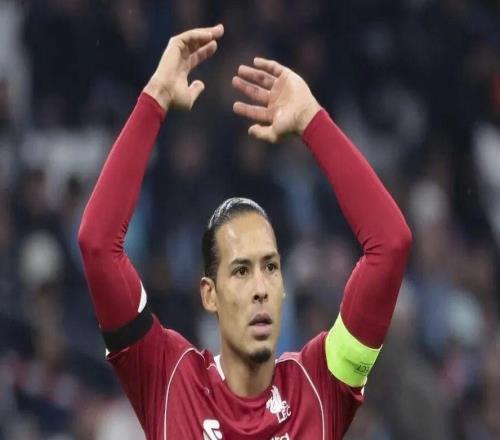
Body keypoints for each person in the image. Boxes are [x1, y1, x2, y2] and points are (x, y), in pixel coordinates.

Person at [78, 24, 412, 440]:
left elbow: (390, 244)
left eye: (270, 267)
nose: (260, 288)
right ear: (209, 294)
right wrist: (155, 98)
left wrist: (313, 121)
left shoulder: (321, 385)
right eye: (240, 270)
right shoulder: (168, 379)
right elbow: (97, 245)